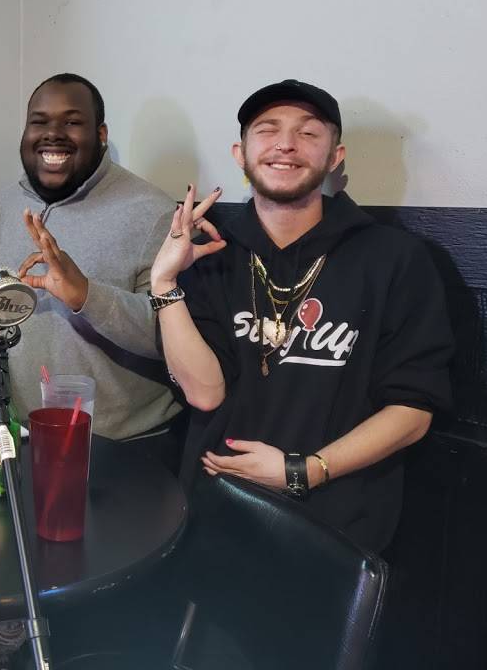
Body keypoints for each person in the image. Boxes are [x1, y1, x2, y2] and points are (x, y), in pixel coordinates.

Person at [150, 79, 453, 551]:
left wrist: (303, 471)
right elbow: (205, 394)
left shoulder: (394, 258)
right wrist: (164, 283)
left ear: (335, 156)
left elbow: (413, 411)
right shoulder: (213, 255)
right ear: (240, 154)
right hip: (216, 514)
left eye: (308, 133)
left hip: (339, 528)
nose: (286, 144)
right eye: (267, 130)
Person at [0, 73, 182, 446]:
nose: (53, 134)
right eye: (39, 122)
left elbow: (173, 340)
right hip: (10, 436)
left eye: (72, 122)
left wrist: (86, 295)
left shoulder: (154, 213)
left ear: (101, 134)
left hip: (122, 445)